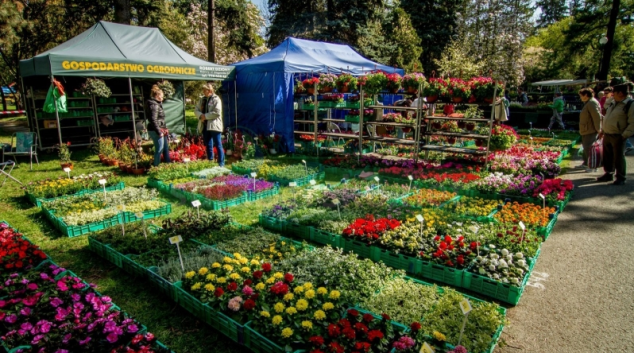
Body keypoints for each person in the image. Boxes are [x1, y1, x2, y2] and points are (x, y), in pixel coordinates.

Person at [596, 84, 634, 185]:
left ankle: (621, 177)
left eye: (614, 93)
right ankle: (609, 173)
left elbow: (632, 122)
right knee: (607, 156)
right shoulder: (613, 102)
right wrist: (603, 130)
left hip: (618, 135)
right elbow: (607, 115)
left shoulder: (630, 104)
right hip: (608, 133)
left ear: (621, 93)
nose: (612, 95)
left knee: (618, 157)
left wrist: (624, 135)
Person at [195, 83, 225, 166]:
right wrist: (201, 116)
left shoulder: (216, 99)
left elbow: (217, 112)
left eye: (205, 90)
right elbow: (196, 110)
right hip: (205, 125)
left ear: (210, 90)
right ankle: (210, 161)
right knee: (208, 144)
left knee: (218, 144)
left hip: (214, 125)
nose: (204, 92)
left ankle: (221, 163)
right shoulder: (202, 99)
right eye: (203, 90)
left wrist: (205, 116)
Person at [576, 88, 601, 171]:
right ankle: (587, 163)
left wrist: (599, 129)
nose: (580, 97)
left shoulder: (591, 103)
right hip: (586, 129)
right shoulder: (589, 102)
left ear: (586, 95)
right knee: (586, 148)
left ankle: (593, 166)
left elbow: (597, 117)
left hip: (590, 130)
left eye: (581, 95)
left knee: (589, 148)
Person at [146, 85, 170, 167]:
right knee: (159, 149)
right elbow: (153, 119)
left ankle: (168, 165)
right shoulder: (154, 105)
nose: (162, 98)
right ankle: (156, 167)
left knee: (165, 148)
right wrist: (159, 131)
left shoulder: (157, 103)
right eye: (161, 96)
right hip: (156, 129)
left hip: (160, 128)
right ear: (157, 96)